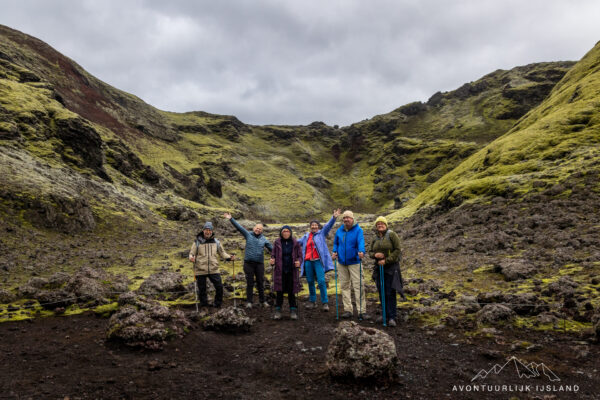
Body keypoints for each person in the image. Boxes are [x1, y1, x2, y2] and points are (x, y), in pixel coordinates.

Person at [224, 212, 273, 308]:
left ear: (262, 231)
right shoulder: (248, 234)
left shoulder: (264, 239)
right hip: (248, 264)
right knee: (249, 283)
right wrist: (231, 219)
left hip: (259, 264)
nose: (258, 230)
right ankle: (249, 302)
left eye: (260, 229)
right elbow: (239, 227)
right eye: (257, 228)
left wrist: (280, 254)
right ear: (254, 228)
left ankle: (262, 301)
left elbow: (272, 249)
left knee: (260, 282)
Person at [298, 209, 341, 311]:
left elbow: (328, 226)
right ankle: (312, 301)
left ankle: (325, 302)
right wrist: (286, 239)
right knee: (310, 281)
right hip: (308, 261)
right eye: (312, 225)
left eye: (316, 225)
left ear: (318, 226)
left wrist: (334, 217)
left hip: (318, 261)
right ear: (310, 227)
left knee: (321, 281)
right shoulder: (306, 236)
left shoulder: (321, 234)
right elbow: (296, 243)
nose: (314, 226)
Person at [332, 210, 369, 319]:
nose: (346, 219)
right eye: (344, 218)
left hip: (355, 262)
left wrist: (362, 251)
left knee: (358, 286)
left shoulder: (358, 230)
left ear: (352, 219)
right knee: (344, 286)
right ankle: (348, 310)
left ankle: (362, 311)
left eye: (348, 217)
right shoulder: (339, 230)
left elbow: (360, 242)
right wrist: (334, 251)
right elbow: (336, 243)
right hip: (342, 262)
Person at [189, 221, 234, 308]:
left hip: (214, 268)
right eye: (206, 230)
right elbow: (191, 253)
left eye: (209, 230)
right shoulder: (197, 241)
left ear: (212, 231)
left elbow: (222, 253)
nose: (208, 232)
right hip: (200, 269)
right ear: (203, 230)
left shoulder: (216, 242)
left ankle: (217, 304)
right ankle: (204, 306)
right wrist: (191, 257)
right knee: (202, 289)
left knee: (219, 287)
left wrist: (229, 257)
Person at [369, 216, 403, 327]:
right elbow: (370, 252)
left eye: (382, 223)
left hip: (391, 267)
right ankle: (385, 314)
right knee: (381, 291)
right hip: (378, 268)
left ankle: (392, 316)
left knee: (390, 291)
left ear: (386, 225)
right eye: (378, 224)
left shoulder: (392, 235)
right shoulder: (375, 238)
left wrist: (386, 260)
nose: (380, 225)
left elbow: (398, 250)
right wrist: (375, 255)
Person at [269, 226, 303, 320]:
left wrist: (299, 262)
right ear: (281, 233)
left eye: (288, 231)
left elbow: (300, 256)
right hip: (280, 270)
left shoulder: (295, 242)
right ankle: (278, 310)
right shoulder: (277, 242)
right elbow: (273, 254)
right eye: (284, 231)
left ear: (290, 232)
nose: (286, 233)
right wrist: (272, 260)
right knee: (279, 290)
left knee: (291, 290)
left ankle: (293, 310)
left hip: (292, 270)